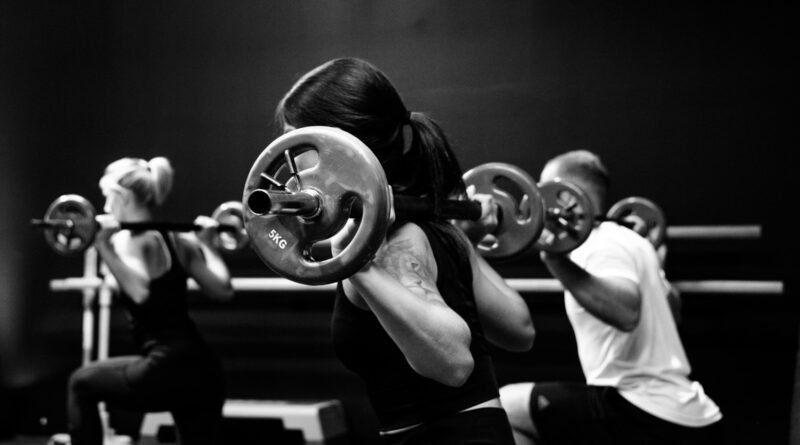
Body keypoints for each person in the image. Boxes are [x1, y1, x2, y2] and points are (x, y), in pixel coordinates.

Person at [274, 57, 536, 444]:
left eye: (301, 148)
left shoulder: (389, 247)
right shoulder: (440, 229)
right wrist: (466, 246)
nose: (292, 170)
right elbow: (519, 330)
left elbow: (455, 364)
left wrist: (356, 264)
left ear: (344, 145)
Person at [498, 150, 723, 445]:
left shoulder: (600, 244)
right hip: (683, 409)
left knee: (502, 408)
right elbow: (674, 311)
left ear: (564, 195)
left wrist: (555, 259)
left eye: (544, 187)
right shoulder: (632, 242)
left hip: (641, 408)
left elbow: (626, 313)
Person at [63, 157, 234, 445]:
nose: (105, 208)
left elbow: (139, 291)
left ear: (123, 197)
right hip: (203, 370)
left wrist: (103, 245)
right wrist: (207, 244)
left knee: (81, 383)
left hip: (164, 367)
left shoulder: (130, 240)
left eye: (108, 197)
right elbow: (223, 290)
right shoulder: (180, 240)